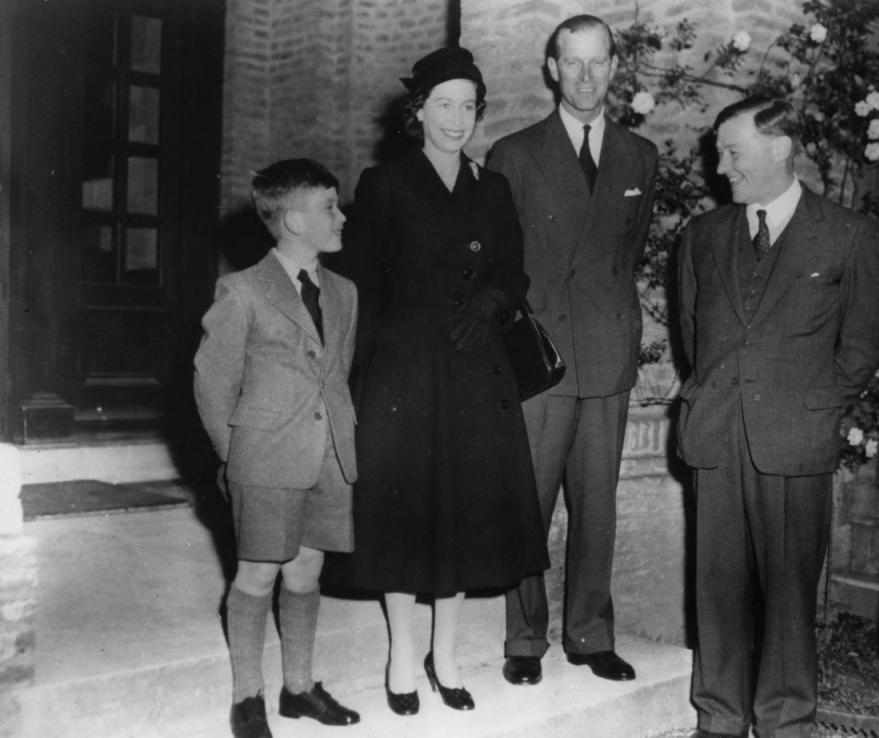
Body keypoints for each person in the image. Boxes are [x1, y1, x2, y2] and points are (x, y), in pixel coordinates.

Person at [321, 47, 549, 715]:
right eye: (443, 105)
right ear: (416, 112)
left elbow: (514, 272)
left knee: (461, 513)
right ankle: (401, 653)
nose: (457, 118)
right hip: (406, 368)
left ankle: (443, 654)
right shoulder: (385, 184)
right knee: (402, 512)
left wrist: (493, 303)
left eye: (468, 106)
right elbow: (359, 284)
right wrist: (355, 379)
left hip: (478, 366)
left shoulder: (494, 187)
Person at [676, 96, 879, 738]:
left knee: (790, 598)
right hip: (716, 436)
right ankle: (718, 716)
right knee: (716, 592)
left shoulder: (847, 234)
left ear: (779, 147)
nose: (721, 166)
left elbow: (862, 345)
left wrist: (815, 409)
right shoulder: (701, 236)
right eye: (719, 151)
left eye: (732, 151)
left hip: (795, 439)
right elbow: (693, 336)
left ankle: (786, 721)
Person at [485, 14, 658, 685]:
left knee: (597, 505)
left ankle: (591, 632)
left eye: (598, 62)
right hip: (542, 356)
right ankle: (524, 639)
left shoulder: (640, 155)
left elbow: (626, 254)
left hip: (608, 354)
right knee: (528, 500)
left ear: (614, 66)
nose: (586, 77)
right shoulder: (516, 152)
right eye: (572, 62)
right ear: (552, 69)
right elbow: (500, 263)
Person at [194, 159, 360, 738]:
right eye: (330, 208)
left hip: (330, 456)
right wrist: (237, 457)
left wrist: (343, 442)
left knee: (307, 572)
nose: (341, 217)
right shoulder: (241, 291)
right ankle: (247, 698)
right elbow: (212, 385)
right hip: (264, 459)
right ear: (293, 220)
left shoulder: (344, 292)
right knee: (258, 575)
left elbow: (336, 374)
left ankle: (299, 687)